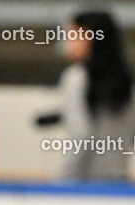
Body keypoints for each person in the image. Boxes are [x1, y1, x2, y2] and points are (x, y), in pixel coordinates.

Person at [37, 10, 135, 180]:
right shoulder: (127, 83)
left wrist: (62, 183)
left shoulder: (76, 77)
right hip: (118, 186)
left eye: (72, 35)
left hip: (83, 186)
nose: (67, 43)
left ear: (89, 38)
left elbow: (81, 136)